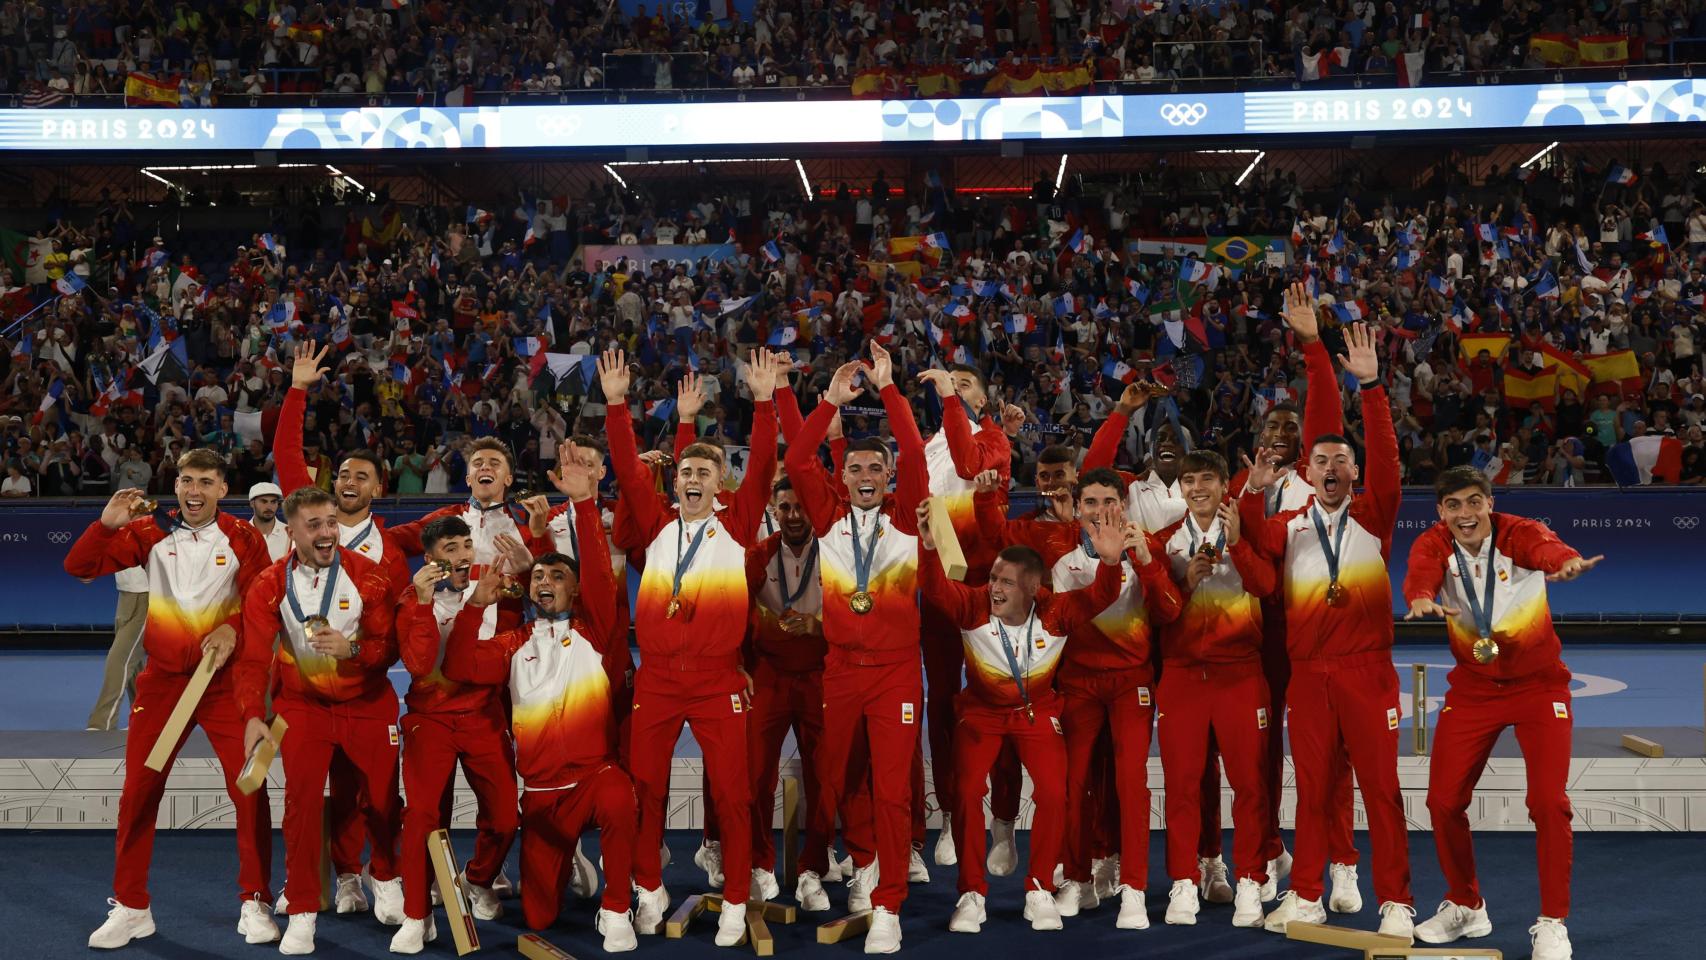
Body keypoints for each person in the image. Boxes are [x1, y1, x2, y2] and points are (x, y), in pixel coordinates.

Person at [599, 347, 782, 946]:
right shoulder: (656, 527)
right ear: (674, 481)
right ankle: (648, 886)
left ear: (719, 483)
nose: (695, 479)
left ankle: (734, 899)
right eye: (687, 472)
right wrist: (618, 405)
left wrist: (762, 401)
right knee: (644, 789)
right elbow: (628, 471)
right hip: (655, 679)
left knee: (732, 793)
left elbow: (759, 470)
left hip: (716, 679)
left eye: (706, 473)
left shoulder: (737, 523)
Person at [1239, 323, 1417, 938]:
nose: (1333, 466)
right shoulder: (1286, 525)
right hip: (1310, 678)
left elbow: (1388, 464)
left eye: (1343, 459)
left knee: (1381, 789)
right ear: (1307, 473)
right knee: (1312, 788)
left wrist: (1369, 386)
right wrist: (1248, 496)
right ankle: (1307, 894)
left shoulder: (1374, 515)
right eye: (1322, 460)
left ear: (1355, 471)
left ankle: (1396, 902)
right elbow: (1245, 548)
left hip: (1367, 671)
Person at [63, 450, 277, 950]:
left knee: (251, 786)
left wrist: (230, 627)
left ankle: (255, 900)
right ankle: (132, 906)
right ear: (176, 486)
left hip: (223, 684)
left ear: (223, 489)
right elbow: (78, 566)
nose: (194, 490)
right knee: (139, 791)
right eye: (185, 480)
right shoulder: (147, 532)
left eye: (205, 481)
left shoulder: (245, 538)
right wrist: (106, 523)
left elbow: (262, 605)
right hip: (163, 686)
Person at [439, 456, 640, 953]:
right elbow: (462, 666)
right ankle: (567, 856)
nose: (545, 582)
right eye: (538, 577)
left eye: (556, 576)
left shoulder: (599, 635)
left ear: (575, 588)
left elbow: (596, 570)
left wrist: (585, 504)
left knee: (620, 796)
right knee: (540, 916)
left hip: (595, 778)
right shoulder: (513, 642)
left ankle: (617, 907)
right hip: (543, 797)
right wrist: (478, 606)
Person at [1401, 466, 1603, 960]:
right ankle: (1466, 904)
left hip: (1539, 687)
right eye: (1454, 506)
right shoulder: (1433, 544)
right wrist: (1421, 598)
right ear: (1440, 511)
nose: (1465, 514)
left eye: (1474, 502)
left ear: (1490, 503)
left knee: (1547, 803)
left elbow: (1547, 549)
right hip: (1473, 689)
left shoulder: (1519, 533)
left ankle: (1553, 921)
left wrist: (1568, 561)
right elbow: (1420, 577)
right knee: (1443, 802)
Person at [920, 499, 1129, 934]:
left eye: (1006, 583)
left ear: (1034, 589)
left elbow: (1102, 595)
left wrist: (1111, 562)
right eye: (994, 577)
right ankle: (971, 893)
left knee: (1055, 793)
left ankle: (1037, 888)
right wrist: (927, 550)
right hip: (980, 713)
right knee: (966, 791)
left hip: (1036, 712)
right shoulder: (973, 606)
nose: (994, 587)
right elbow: (938, 590)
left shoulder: (1056, 613)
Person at [783, 345, 926, 953]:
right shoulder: (827, 521)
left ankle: (888, 901)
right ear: (842, 476)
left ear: (888, 478)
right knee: (836, 775)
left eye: (877, 470)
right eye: (857, 470)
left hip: (895, 673)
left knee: (892, 787)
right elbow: (795, 456)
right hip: (839, 669)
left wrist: (890, 391)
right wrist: (827, 404)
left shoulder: (908, 521)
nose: (866, 478)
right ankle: (856, 861)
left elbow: (916, 453)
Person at [235, 486, 404, 955]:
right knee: (301, 808)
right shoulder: (270, 585)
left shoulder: (370, 577)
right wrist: (253, 715)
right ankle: (304, 909)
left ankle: (386, 876)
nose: (328, 533)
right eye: (315, 525)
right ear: (291, 532)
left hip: (368, 704)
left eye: (332, 522)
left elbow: (390, 648)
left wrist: (352, 650)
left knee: (384, 799)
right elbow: (250, 660)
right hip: (304, 707)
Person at [1232, 284, 1359, 902]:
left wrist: (1312, 347)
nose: (1283, 432)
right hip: (1258, 635)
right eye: (1272, 424)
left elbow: (1328, 418)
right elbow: (1239, 550)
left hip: (1319, 632)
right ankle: (1267, 856)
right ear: (1256, 432)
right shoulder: (1240, 486)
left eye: (1292, 425)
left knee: (1330, 755)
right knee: (1260, 754)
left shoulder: (1322, 480)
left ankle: (1340, 860)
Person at [274, 342, 409, 915]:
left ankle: (373, 875)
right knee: (307, 793)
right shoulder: (307, 521)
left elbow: (397, 629)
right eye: (344, 473)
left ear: (379, 489)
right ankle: (332, 877)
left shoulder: (389, 550)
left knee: (368, 792)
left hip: (363, 689)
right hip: (302, 689)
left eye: (363, 475)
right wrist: (298, 389)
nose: (350, 480)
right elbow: (286, 454)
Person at [388, 517, 529, 953]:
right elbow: (419, 663)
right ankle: (418, 913)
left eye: (468, 544)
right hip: (429, 719)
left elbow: (510, 646)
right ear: (430, 558)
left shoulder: (495, 587)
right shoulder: (411, 598)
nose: (465, 554)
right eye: (452, 547)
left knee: (506, 816)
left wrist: (518, 576)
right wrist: (424, 603)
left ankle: (479, 878)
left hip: (483, 715)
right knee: (424, 819)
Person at [1155, 450, 1276, 927]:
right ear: (1180, 488)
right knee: (1182, 786)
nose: (1198, 487)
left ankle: (1250, 879)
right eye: (1189, 480)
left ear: (1226, 484)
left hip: (1240, 674)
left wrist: (1240, 546)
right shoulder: (1165, 543)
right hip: (1182, 677)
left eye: (1208, 478)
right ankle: (1184, 881)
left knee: (1249, 785)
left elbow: (1265, 586)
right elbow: (1159, 614)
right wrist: (1183, 583)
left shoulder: (1247, 530)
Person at [915, 362, 1021, 872]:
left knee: (995, 697)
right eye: (948, 383)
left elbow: (966, 460)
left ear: (980, 400)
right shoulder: (922, 449)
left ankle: (1001, 819)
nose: (953, 388)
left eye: (964, 385)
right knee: (940, 701)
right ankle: (951, 813)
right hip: (939, 587)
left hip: (987, 587)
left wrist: (948, 398)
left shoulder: (995, 440)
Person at [741, 478, 833, 904]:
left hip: (821, 674)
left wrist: (820, 627)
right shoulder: (757, 556)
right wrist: (739, 666)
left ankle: (814, 866)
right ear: (773, 512)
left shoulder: (834, 550)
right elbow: (735, 615)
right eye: (785, 508)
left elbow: (858, 608)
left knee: (824, 776)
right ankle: (759, 863)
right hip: (770, 676)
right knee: (756, 774)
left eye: (801, 507)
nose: (794, 516)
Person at [83, 563, 149, 732]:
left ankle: (101, 725)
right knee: (132, 660)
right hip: (127, 591)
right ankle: (145, 718)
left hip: (150, 592)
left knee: (120, 658)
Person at [248, 481, 290, 561]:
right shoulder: (240, 534)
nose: (269, 507)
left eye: (273, 502)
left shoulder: (290, 534)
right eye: (264, 501)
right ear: (252, 503)